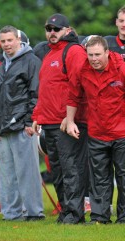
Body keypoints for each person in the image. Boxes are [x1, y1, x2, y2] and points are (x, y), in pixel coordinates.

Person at [32, 13, 89, 224]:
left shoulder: (73, 51)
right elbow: (45, 90)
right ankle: (65, 211)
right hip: (49, 121)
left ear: (68, 30)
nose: (52, 33)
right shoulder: (48, 54)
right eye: (49, 29)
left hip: (65, 122)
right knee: (57, 170)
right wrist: (37, 116)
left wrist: (70, 117)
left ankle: (75, 214)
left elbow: (78, 86)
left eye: (57, 29)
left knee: (71, 169)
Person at [66, 36, 125, 224]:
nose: (94, 59)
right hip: (97, 132)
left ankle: (124, 217)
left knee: (124, 177)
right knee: (99, 178)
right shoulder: (82, 70)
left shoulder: (121, 68)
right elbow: (73, 96)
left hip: (121, 133)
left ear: (108, 52)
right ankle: (100, 216)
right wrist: (69, 121)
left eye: (98, 54)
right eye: (90, 55)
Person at [0, 26, 44, 221]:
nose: (6, 45)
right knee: (6, 174)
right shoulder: (2, 62)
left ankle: (33, 212)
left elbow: (35, 93)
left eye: (9, 40)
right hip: (2, 127)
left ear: (18, 39)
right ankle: (11, 213)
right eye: (3, 41)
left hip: (23, 125)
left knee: (27, 172)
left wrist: (30, 121)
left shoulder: (31, 61)